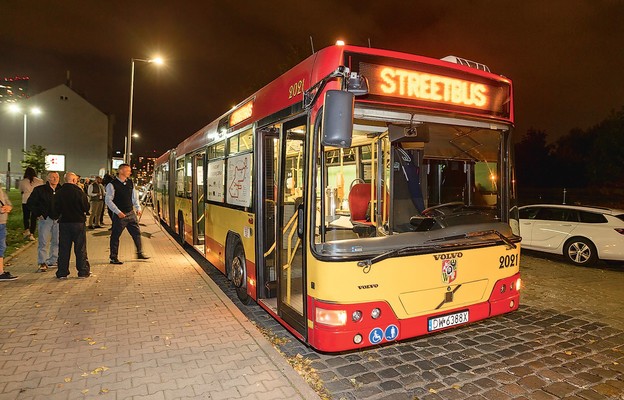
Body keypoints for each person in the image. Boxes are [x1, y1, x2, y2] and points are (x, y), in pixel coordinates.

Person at [105, 163, 149, 264]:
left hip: (131, 213)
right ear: (121, 171)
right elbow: (108, 200)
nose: (129, 172)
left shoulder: (130, 183)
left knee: (137, 234)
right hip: (120, 215)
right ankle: (113, 257)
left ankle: (139, 252)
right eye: (127, 170)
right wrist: (118, 212)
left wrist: (138, 208)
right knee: (115, 236)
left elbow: (134, 197)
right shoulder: (112, 184)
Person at [54, 172, 90, 279]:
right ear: (74, 180)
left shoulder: (59, 193)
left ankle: (62, 272)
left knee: (64, 248)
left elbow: (55, 208)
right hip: (78, 222)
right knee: (80, 248)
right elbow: (86, 207)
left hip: (64, 222)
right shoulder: (79, 192)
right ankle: (83, 271)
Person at [27, 171, 61, 272]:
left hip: (58, 219)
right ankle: (42, 262)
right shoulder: (40, 190)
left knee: (57, 241)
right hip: (45, 219)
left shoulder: (61, 190)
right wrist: (38, 213)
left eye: (56, 177)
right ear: (48, 179)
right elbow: (30, 203)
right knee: (43, 241)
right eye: (52, 177)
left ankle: (53, 260)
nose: (55, 179)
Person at [19, 167, 44, 240]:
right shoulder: (39, 181)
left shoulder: (23, 181)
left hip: (25, 200)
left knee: (26, 217)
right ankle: (32, 234)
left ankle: (27, 230)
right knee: (33, 218)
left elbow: (21, 190)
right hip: (36, 201)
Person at [0, 186, 18, 281]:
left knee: (1, 247)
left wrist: (8, 207)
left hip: (2, 222)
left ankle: (1, 271)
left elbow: (7, 201)